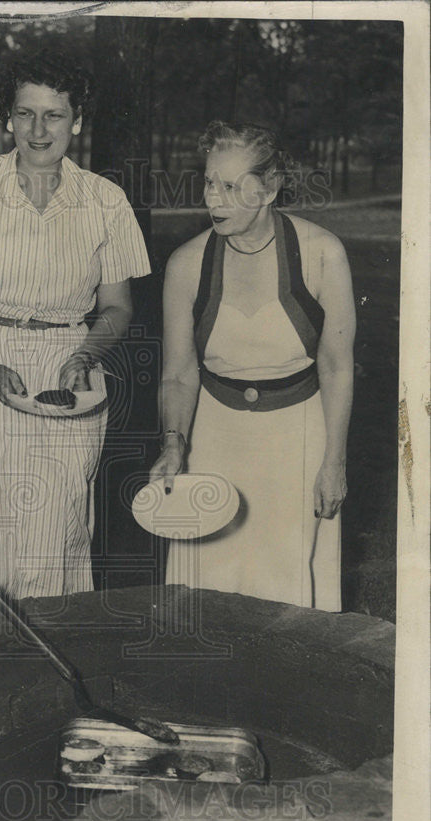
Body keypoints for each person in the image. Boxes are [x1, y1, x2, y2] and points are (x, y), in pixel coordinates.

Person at [0, 48, 150, 619]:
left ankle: (48, 692)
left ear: (78, 120)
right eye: (25, 114)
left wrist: (84, 355)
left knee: (54, 539)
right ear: (8, 118)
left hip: (68, 375)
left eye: (55, 115)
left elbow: (116, 307)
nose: (39, 130)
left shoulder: (105, 200)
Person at [149, 121, 355, 610]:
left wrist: (334, 462)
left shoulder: (323, 254)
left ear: (270, 189)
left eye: (232, 186)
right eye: (208, 182)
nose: (213, 200)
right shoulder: (186, 264)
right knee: (208, 590)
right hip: (215, 438)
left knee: (288, 594)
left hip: (298, 437)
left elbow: (336, 367)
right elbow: (179, 373)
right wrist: (174, 445)